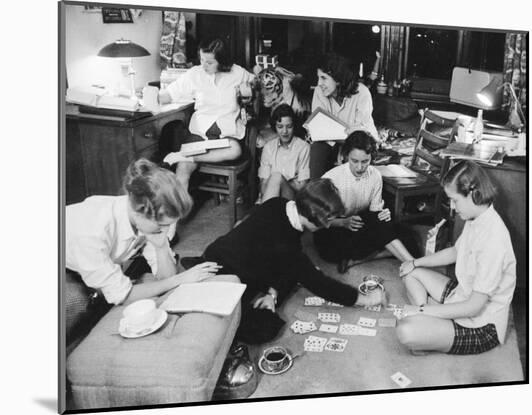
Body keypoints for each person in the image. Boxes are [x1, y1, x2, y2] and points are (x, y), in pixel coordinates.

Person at [184, 179, 381, 344]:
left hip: (223, 254)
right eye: (328, 220)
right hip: (223, 277)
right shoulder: (286, 247)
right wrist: (366, 300)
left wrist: (273, 293)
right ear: (314, 216)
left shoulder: (278, 203)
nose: (329, 225)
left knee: (292, 271)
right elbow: (322, 285)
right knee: (266, 327)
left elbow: (278, 257)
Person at [65, 158, 221, 342]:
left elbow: (164, 277)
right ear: (140, 212)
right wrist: (180, 279)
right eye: (162, 225)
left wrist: (161, 246)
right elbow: (124, 296)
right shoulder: (92, 232)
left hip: (85, 259)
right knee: (77, 304)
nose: (167, 231)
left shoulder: (141, 215)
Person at [396, 161, 516, 355]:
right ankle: (430, 322)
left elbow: (473, 308)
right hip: (462, 295)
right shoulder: (476, 216)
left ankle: (426, 322)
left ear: (472, 194)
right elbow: (455, 252)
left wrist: (420, 310)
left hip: (481, 323)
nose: (452, 207)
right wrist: (415, 262)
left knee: (405, 331)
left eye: (455, 200)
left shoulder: (494, 240)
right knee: (412, 273)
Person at [158, 38, 256, 191]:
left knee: (235, 150)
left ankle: (188, 156)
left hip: (226, 137)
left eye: (209, 62)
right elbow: (170, 93)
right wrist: (149, 97)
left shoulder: (237, 73)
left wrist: (249, 89)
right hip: (200, 135)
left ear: (222, 61)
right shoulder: (194, 74)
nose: (204, 65)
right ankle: (178, 212)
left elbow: (257, 83)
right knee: (183, 170)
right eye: (202, 59)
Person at [314, 131, 414, 273]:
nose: (359, 167)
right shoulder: (331, 179)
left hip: (357, 223)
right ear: (346, 156)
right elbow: (315, 219)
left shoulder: (375, 175)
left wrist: (382, 214)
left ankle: (410, 263)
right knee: (330, 248)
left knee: (406, 234)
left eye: (365, 161)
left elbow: (374, 215)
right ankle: (403, 259)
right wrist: (342, 222)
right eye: (354, 161)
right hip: (334, 227)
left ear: (371, 158)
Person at [309, 53, 379, 179]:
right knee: (317, 147)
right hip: (334, 141)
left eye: (324, 78)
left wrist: (341, 142)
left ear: (338, 78)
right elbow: (319, 127)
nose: (319, 83)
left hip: (362, 142)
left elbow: (359, 135)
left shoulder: (362, 93)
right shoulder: (319, 92)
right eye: (318, 78)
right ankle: (315, 192)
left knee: (355, 152)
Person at [257, 104, 310, 203]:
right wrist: (288, 182)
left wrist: (281, 182)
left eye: (289, 126)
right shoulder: (268, 147)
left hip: (292, 200)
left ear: (294, 126)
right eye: (280, 127)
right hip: (271, 197)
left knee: (276, 177)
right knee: (275, 179)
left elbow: (302, 187)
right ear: (275, 127)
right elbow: (263, 186)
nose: (284, 131)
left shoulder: (303, 148)